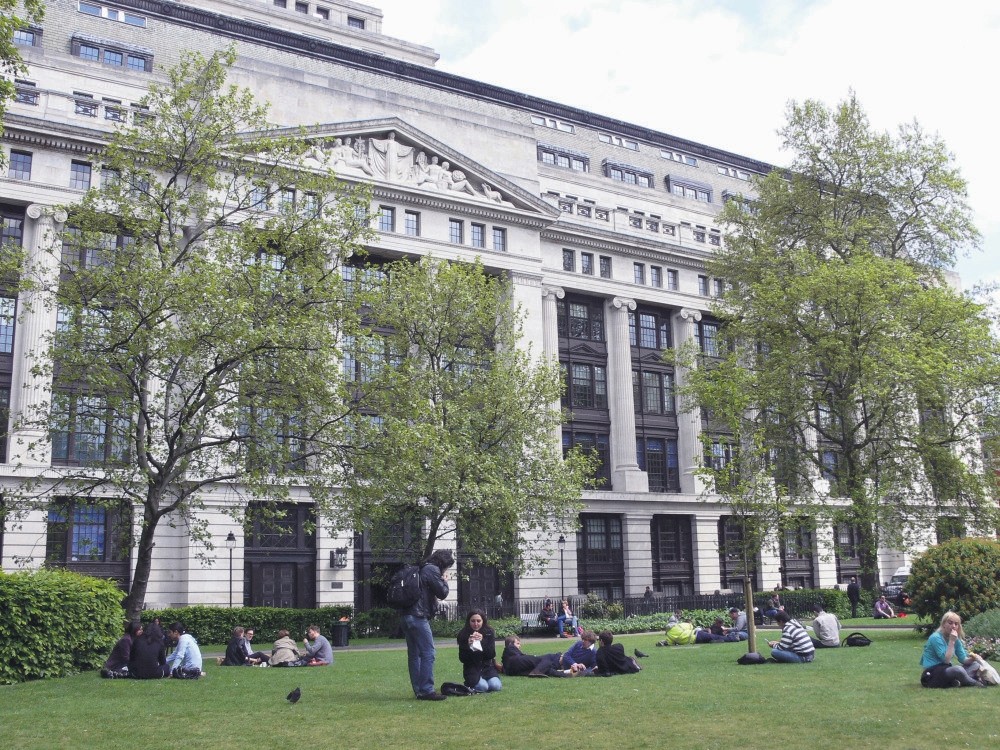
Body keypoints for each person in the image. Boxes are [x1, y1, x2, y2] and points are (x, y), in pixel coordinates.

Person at [401, 548, 454, 701]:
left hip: (406, 616)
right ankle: (426, 690)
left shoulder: (421, 567)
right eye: (447, 566)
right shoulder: (432, 569)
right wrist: (444, 580)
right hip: (418, 616)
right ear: (443, 563)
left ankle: (419, 690)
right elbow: (442, 593)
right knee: (428, 653)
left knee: (414, 654)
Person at [920, 611, 986, 688]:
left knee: (975, 665)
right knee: (958, 669)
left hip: (946, 670)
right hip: (932, 672)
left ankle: (957, 682)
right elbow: (946, 660)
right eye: (950, 623)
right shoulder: (935, 638)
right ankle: (974, 682)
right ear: (944, 624)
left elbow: (963, 659)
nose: (953, 626)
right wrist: (951, 641)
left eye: (956, 624)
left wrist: (972, 659)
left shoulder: (955, 638)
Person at [456, 609, 502, 692]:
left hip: (487, 667)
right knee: (483, 687)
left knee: (495, 686)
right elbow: (462, 658)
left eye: (478, 621)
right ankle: (472, 682)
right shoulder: (463, 634)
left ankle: (483, 681)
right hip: (472, 668)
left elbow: (491, 654)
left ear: (483, 621)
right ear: (468, 621)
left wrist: (482, 642)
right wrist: (468, 645)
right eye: (473, 621)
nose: (476, 624)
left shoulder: (489, 632)